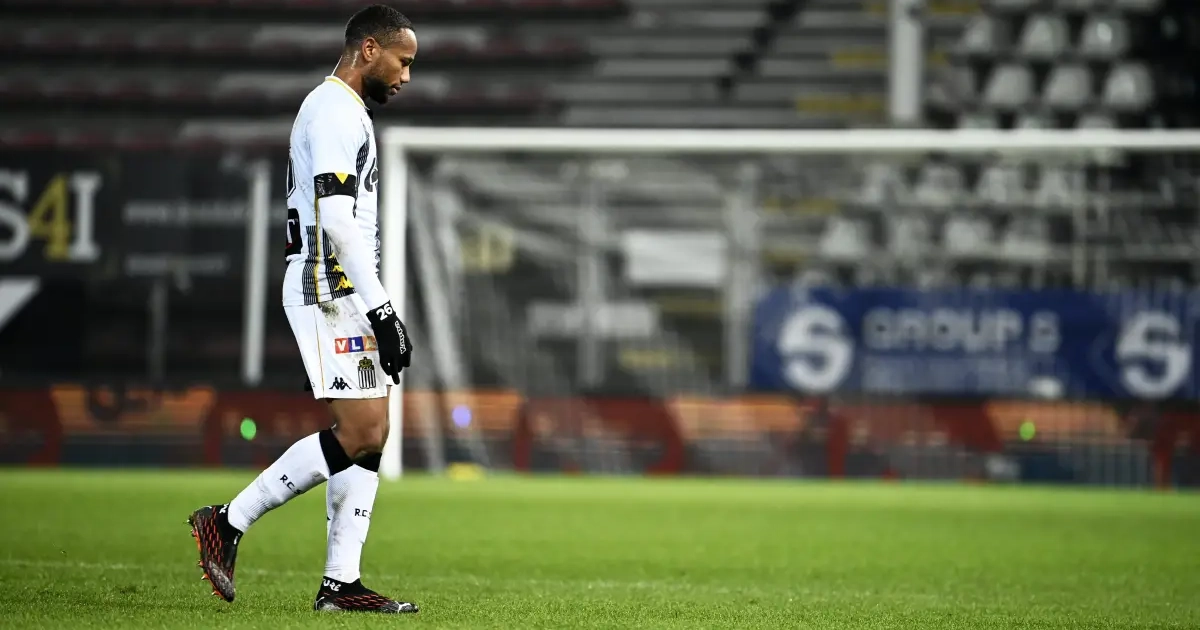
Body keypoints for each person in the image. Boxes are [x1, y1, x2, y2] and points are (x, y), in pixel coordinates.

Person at [187, 4, 418, 614]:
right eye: (402, 61)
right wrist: (383, 311)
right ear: (369, 49)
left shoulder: (345, 109)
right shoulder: (334, 110)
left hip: (344, 287)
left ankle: (341, 584)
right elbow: (337, 221)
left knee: (372, 434)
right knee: (363, 432)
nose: (406, 76)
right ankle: (226, 522)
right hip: (326, 286)